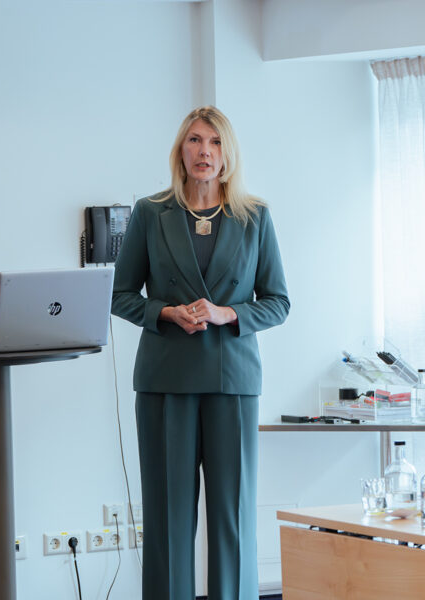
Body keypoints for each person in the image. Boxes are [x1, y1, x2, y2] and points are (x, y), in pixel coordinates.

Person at [111, 106, 289, 600]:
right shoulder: (150, 213)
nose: (204, 151)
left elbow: (278, 302)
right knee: (168, 517)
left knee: (233, 517)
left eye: (214, 142)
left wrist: (227, 313)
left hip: (233, 381)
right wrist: (167, 312)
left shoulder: (255, 217)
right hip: (165, 380)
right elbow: (120, 295)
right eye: (194, 140)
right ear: (181, 151)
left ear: (227, 154)